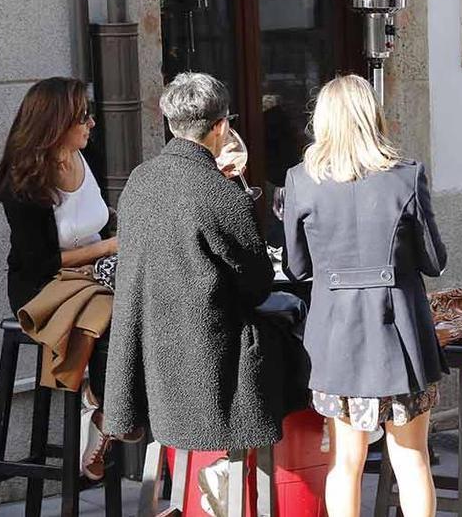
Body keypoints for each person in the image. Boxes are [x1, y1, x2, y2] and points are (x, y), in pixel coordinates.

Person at [103, 73, 309, 454]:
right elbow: (259, 285)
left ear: (170, 122)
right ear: (221, 126)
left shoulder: (139, 181)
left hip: (156, 364)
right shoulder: (219, 193)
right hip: (214, 370)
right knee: (295, 333)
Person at [281, 74, 446, 517]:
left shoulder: (301, 180)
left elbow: (297, 268)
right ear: (372, 117)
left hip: (338, 340)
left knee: (344, 463)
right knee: (411, 459)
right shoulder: (407, 177)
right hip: (400, 339)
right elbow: (434, 260)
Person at [0, 77, 120, 480]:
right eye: (83, 117)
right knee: (114, 313)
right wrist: (109, 248)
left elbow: (101, 221)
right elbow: (41, 262)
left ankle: (113, 402)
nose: (92, 124)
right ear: (56, 122)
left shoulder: (88, 155)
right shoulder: (24, 180)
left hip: (97, 274)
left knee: (156, 300)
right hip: (44, 286)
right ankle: (106, 408)